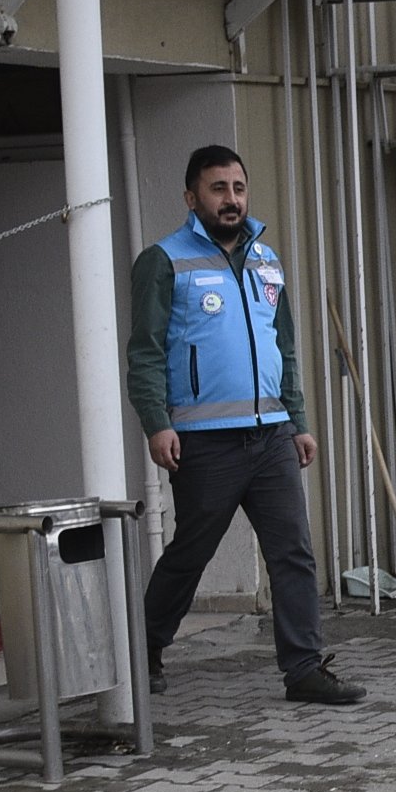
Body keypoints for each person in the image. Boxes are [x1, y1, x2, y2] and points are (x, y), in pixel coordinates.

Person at [128, 145, 360, 706]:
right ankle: (143, 650)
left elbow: (283, 344)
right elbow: (146, 352)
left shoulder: (266, 259)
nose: (230, 199)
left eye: (238, 188)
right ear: (191, 197)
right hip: (206, 442)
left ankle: (303, 668)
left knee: (293, 552)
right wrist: (157, 424)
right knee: (191, 552)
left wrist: (298, 419)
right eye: (217, 189)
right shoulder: (164, 261)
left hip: (272, 434)